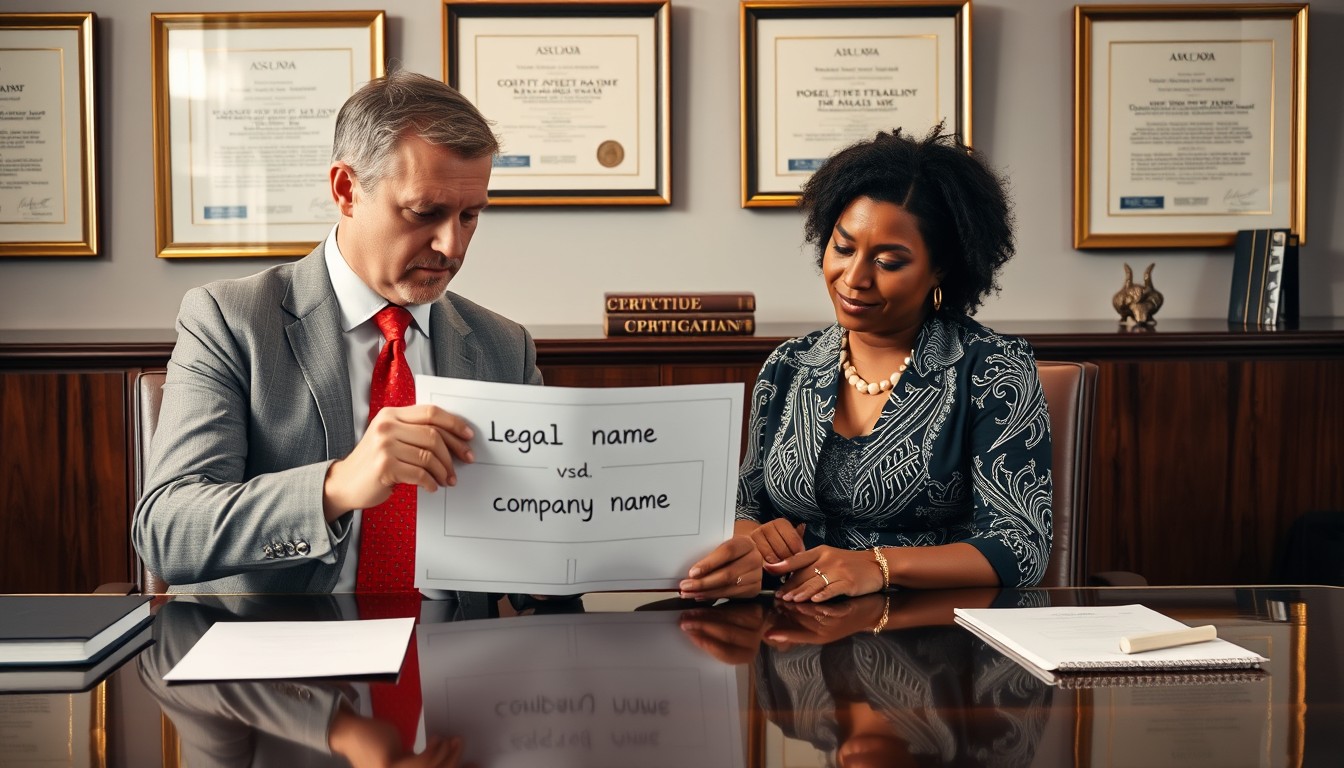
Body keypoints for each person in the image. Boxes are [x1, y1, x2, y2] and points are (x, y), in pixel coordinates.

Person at [133, 70, 542, 594]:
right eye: (426, 212)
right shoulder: (230, 319)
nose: (452, 246)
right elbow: (168, 532)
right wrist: (337, 486)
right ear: (347, 190)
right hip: (275, 662)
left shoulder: (504, 346)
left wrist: (657, 557)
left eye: (470, 216)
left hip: (452, 655)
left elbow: (536, 543)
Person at [682, 126, 1052, 601]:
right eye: (843, 248)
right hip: (796, 638)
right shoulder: (790, 365)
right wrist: (748, 535)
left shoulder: (993, 372)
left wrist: (877, 567)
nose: (854, 278)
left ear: (940, 269)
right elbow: (745, 497)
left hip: (936, 642)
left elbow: (1020, 547)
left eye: (889, 261)